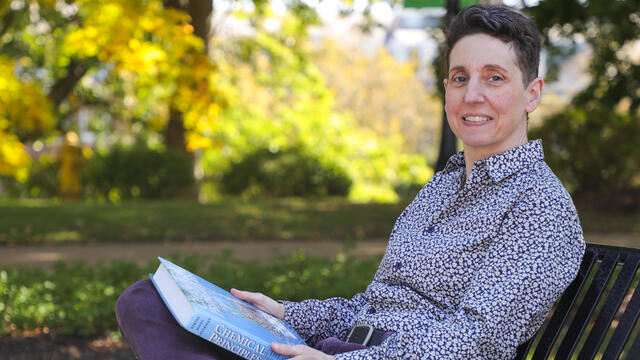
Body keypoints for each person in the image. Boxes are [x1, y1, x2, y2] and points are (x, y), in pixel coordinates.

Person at [115, 5, 585, 360]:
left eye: (494, 77)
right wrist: (283, 313)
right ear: (446, 89)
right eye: (459, 77)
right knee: (146, 301)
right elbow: (371, 306)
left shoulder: (539, 207)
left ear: (532, 94)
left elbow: (474, 342)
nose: (472, 94)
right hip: (339, 347)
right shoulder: (443, 187)